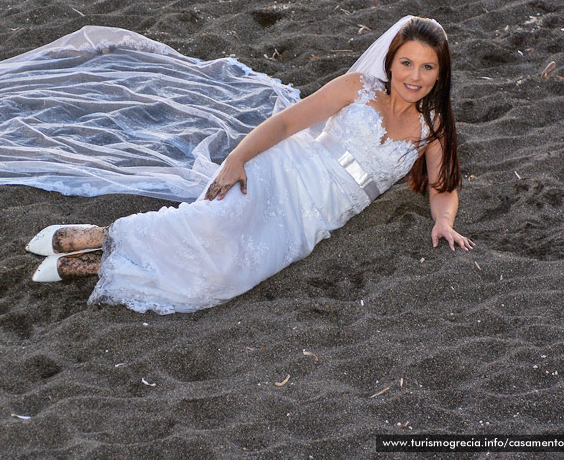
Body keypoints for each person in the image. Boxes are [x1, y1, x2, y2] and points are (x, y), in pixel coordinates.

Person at [26, 16, 475, 314]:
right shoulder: (357, 88)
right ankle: (100, 238)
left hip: (317, 215)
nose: (414, 76)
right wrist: (238, 159)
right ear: (391, 61)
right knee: (215, 222)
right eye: (406, 62)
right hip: (288, 168)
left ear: (440, 73)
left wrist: (444, 221)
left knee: (226, 275)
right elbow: (284, 124)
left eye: (427, 67)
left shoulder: (431, 129)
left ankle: (98, 262)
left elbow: (442, 186)